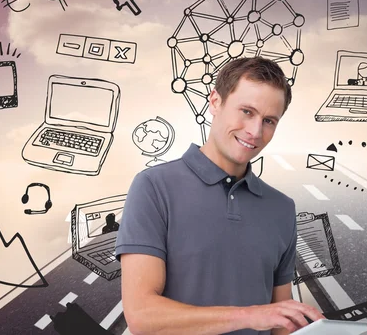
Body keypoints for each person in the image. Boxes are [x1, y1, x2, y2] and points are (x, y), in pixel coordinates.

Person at [115, 57, 326, 334]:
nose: (255, 132)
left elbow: (279, 322)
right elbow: (142, 316)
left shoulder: (282, 209)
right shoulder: (153, 187)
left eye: (269, 121)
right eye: (247, 112)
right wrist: (250, 316)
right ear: (215, 101)